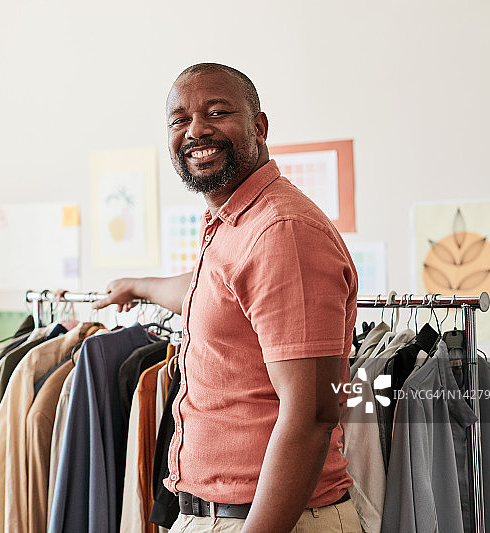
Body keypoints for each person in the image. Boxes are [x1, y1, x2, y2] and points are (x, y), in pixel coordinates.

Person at [93, 63, 361, 533]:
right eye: (180, 120)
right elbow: (211, 296)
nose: (196, 130)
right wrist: (139, 285)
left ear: (258, 127)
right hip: (215, 516)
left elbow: (313, 414)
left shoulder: (282, 232)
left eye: (216, 112)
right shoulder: (235, 221)